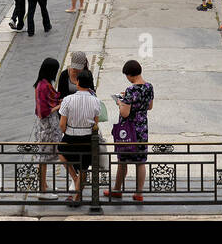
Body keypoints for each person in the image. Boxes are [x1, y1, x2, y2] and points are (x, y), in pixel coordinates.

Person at [107, 59, 154, 202]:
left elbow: (125, 113)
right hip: (142, 129)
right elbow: (149, 106)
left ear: (130, 75)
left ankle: (117, 190)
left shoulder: (131, 90)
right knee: (140, 162)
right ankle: (139, 193)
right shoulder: (149, 87)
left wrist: (120, 102)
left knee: (123, 160)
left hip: (128, 131)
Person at [58, 69, 102, 206]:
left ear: (77, 82)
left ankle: (74, 177)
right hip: (88, 138)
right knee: (84, 166)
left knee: (60, 152)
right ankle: (78, 193)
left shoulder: (67, 100)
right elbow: (96, 123)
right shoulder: (96, 101)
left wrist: (68, 131)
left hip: (70, 137)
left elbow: (62, 124)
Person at [33, 57, 63, 201]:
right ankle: (42, 190)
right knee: (43, 158)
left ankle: (44, 184)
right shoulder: (44, 87)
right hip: (46, 127)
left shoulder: (42, 84)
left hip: (45, 126)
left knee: (43, 158)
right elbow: (44, 111)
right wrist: (59, 106)